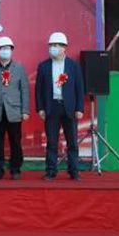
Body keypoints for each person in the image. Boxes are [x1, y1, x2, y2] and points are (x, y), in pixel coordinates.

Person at [36, 32, 84, 181]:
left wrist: (79, 108)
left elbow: (79, 88)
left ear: (64, 48)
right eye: (51, 45)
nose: (52, 48)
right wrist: (40, 108)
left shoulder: (73, 66)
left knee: (72, 142)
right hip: (52, 107)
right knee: (52, 142)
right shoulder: (43, 66)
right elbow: (38, 90)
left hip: (69, 107)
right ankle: (51, 171)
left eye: (56, 45)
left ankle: (74, 171)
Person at [0, 36, 30, 180]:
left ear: (11, 50)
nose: (5, 51)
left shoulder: (19, 68)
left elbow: (24, 90)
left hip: (14, 111)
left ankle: (15, 169)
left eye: (7, 48)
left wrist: (25, 110)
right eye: (2, 49)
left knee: (15, 141)